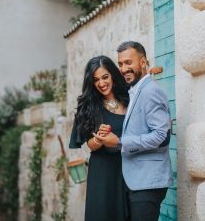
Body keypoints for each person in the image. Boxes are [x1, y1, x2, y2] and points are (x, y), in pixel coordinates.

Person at [94, 41, 173, 221]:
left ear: (143, 62)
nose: (123, 69)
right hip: (137, 182)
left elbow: (162, 136)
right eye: (121, 64)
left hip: (148, 182)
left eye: (129, 63)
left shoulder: (150, 91)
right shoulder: (135, 91)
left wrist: (120, 142)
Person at [69, 55, 130, 221]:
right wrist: (99, 139)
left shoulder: (129, 99)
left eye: (105, 77)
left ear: (112, 75)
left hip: (131, 168)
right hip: (104, 172)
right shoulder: (89, 107)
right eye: (96, 80)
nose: (102, 83)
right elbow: (90, 145)